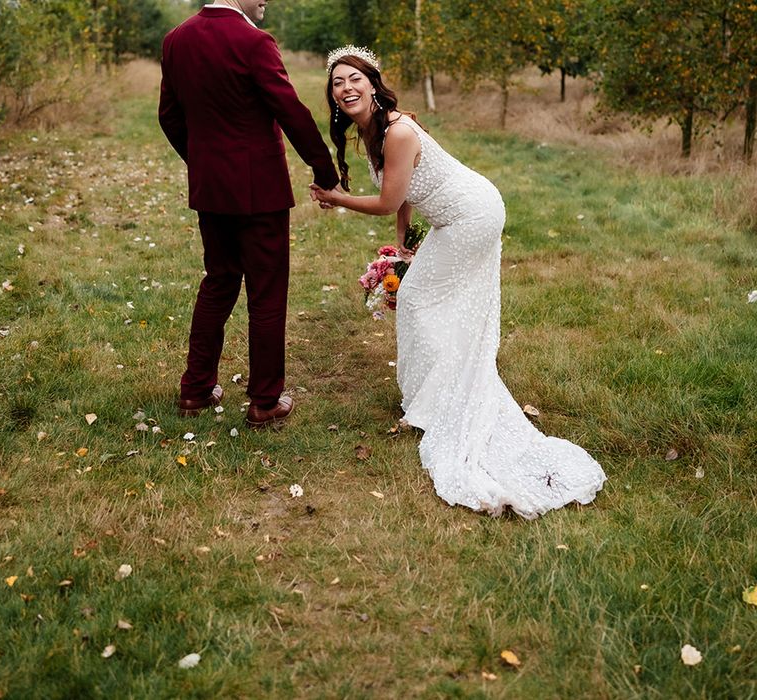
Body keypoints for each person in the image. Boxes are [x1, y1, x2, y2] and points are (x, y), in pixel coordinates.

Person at [311, 47, 606, 518]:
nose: (345, 88)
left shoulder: (398, 130)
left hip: (472, 214)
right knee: (428, 301)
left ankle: (438, 402)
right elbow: (401, 198)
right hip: (458, 217)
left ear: (373, 83)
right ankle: (437, 394)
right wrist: (404, 245)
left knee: (416, 301)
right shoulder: (374, 130)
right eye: (337, 83)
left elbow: (388, 199)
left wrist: (337, 198)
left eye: (354, 79)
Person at [158, 0, 339, 426]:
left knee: (219, 281)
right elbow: (290, 110)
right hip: (260, 191)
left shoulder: (176, 40)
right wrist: (324, 168)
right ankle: (263, 402)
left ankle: (196, 390)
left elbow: (169, 116)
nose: (267, 0)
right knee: (267, 293)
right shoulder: (255, 41)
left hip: (211, 190)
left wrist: (206, 164)